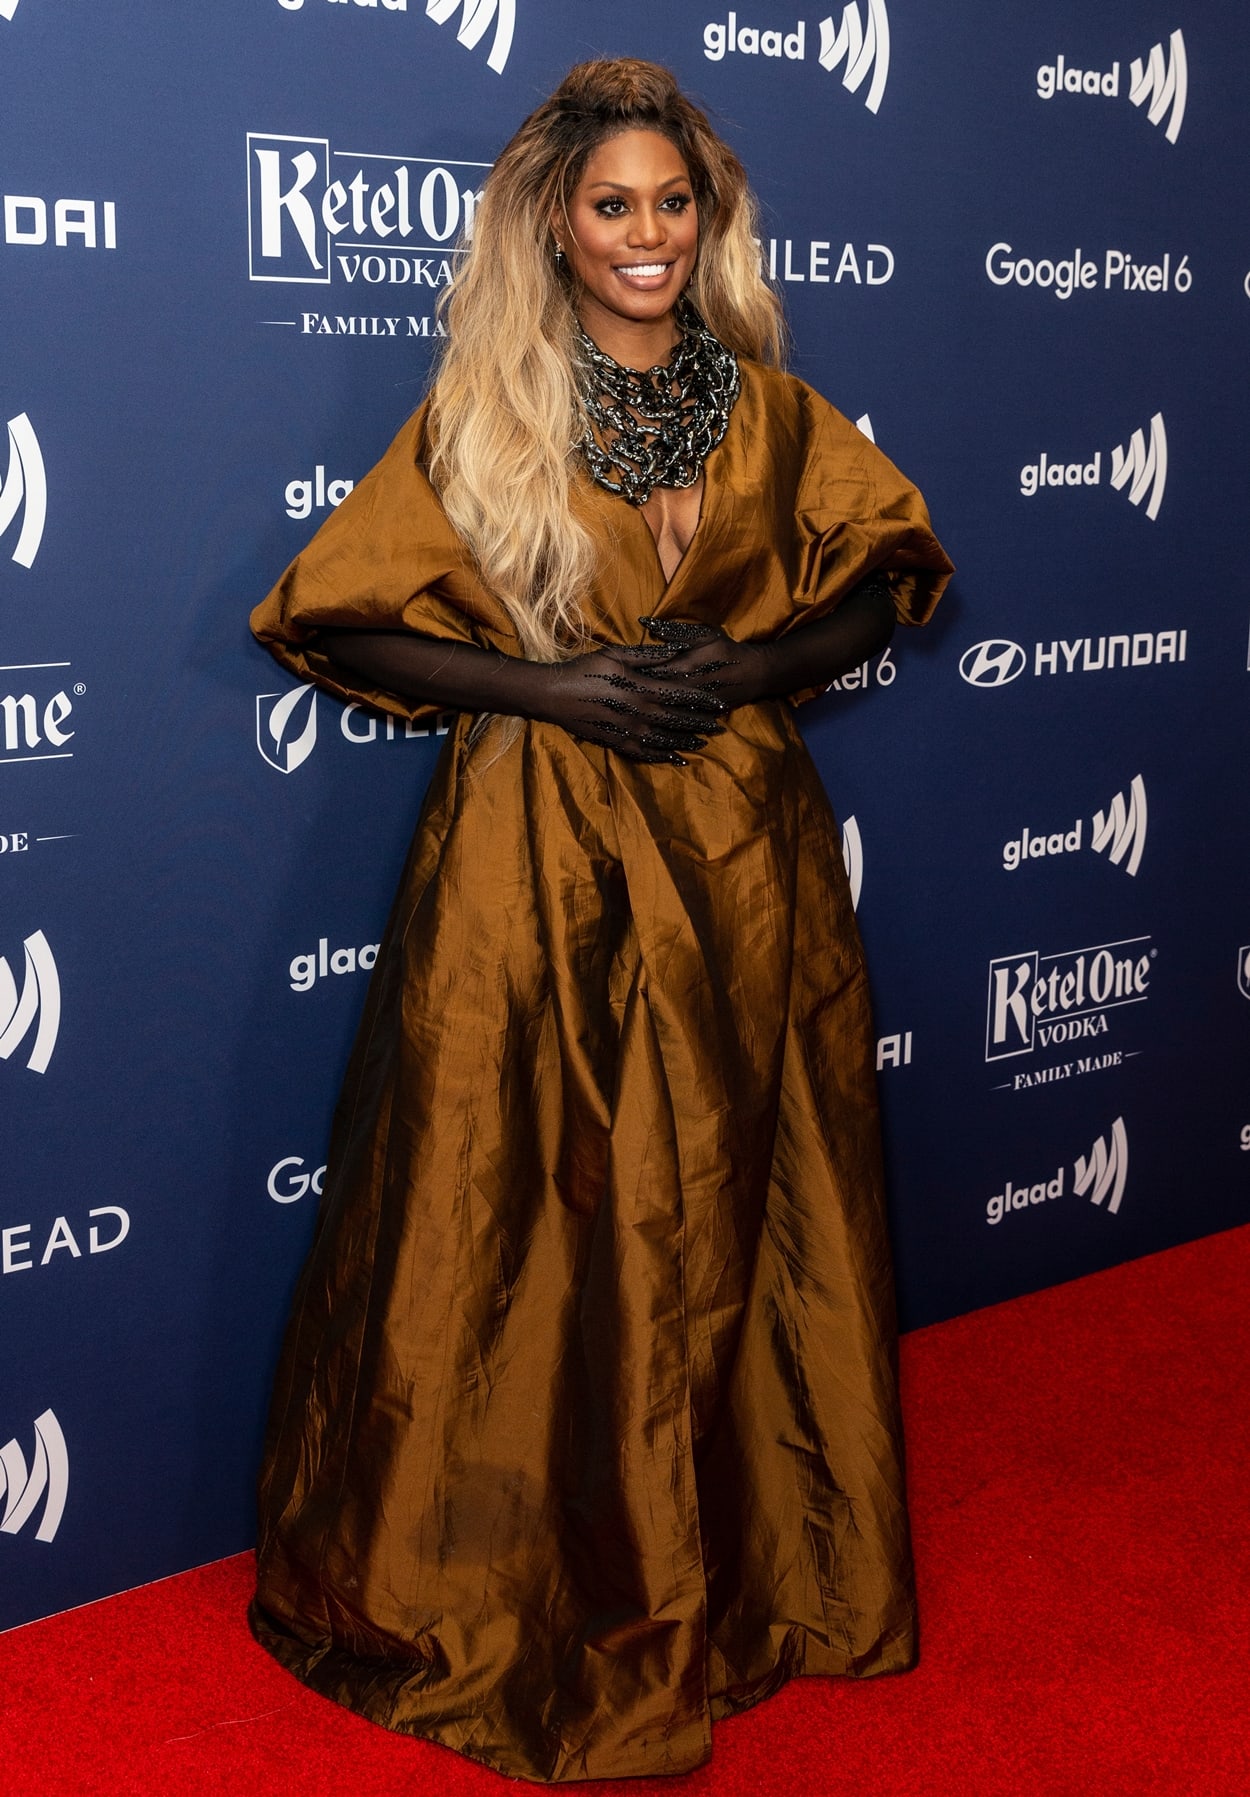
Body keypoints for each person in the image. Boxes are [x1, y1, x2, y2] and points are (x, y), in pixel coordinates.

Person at [248, 57, 953, 1784]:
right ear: (555, 229)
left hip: (735, 856)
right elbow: (339, 616)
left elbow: (892, 573)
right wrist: (546, 687)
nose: (646, 234)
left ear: (705, 223)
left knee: (727, 1199)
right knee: (528, 1200)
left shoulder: (775, 414)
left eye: (672, 204)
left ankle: (741, 1568)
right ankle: (525, 1582)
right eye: (611, 205)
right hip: (532, 861)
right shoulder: (487, 402)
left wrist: (754, 663)